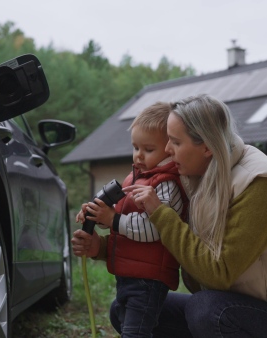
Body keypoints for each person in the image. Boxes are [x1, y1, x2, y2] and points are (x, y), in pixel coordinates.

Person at [72, 94, 267, 338]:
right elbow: (163, 243)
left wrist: (161, 213)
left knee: (206, 311)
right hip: (228, 306)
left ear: (207, 147)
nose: (167, 150)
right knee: (125, 310)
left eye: (176, 142)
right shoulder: (196, 176)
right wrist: (101, 247)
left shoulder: (259, 185)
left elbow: (219, 274)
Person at [74, 102, 188, 338]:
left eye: (148, 149)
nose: (138, 155)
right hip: (129, 275)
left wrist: (112, 219)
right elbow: (121, 217)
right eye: (135, 147)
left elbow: (154, 228)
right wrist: (99, 216)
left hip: (149, 280)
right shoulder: (134, 179)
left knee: (135, 333)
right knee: (132, 326)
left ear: (169, 149)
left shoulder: (165, 185)